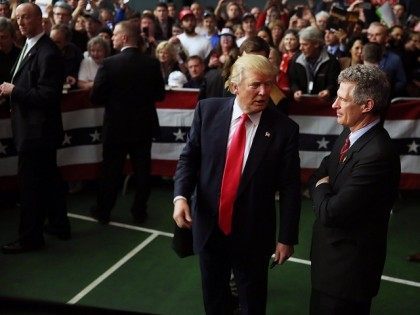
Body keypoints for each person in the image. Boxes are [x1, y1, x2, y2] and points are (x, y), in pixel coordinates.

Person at [173, 54, 301, 314]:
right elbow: (189, 158)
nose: (265, 92)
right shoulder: (207, 111)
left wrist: (286, 237)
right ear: (234, 87)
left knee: (252, 304)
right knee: (214, 301)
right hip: (210, 228)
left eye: (269, 84)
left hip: (254, 235)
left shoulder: (284, 129)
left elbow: (290, 187)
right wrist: (180, 197)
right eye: (256, 85)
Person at [308, 64, 401, 315]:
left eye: (342, 99)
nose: (334, 105)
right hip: (330, 268)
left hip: (348, 277)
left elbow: (330, 213)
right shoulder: (349, 132)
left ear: (367, 106)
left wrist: (320, 187)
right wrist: (322, 185)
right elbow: (320, 171)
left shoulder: (378, 154)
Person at [0, 2, 70, 254]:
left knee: (29, 187)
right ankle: (60, 225)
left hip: (37, 132)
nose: (20, 22)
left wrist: (14, 91)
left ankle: (30, 238)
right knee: (50, 179)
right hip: (34, 130)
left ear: (40, 19)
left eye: (26, 17)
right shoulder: (30, 46)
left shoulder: (47, 52)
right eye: (18, 18)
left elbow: (48, 96)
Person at [90, 20, 165, 225]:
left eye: (114, 34)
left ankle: (104, 210)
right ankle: (139, 211)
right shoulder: (151, 63)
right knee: (142, 171)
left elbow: (96, 97)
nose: (112, 37)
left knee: (110, 171)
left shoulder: (109, 64)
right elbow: (160, 94)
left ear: (124, 37)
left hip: (116, 127)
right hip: (143, 127)